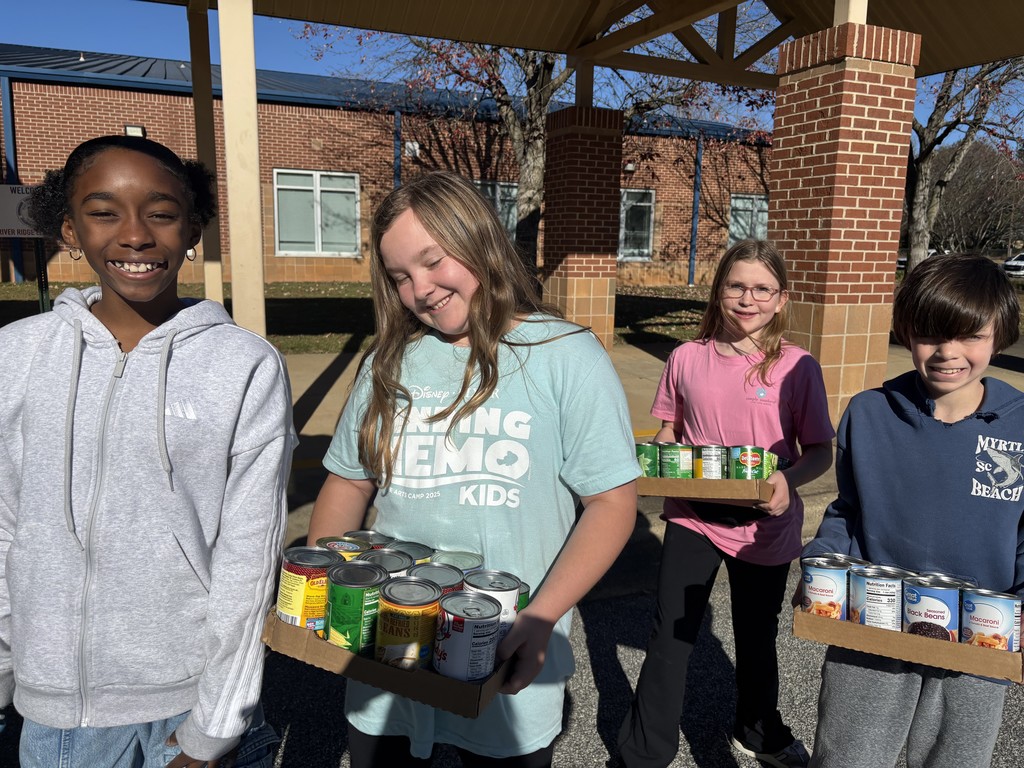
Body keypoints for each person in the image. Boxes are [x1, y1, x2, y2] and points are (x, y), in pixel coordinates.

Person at [306, 170, 639, 767]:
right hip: (389, 669)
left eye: (433, 261)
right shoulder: (390, 363)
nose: (421, 288)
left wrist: (539, 620)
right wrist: (328, 588)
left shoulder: (566, 356)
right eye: (401, 277)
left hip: (506, 660)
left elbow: (611, 503)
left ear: (479, 238)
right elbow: (348, 480)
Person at [0, 135, 295, 767]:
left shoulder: (244, 365)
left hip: (185, 707)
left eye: (160, 213)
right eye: (104, 212)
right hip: (54, 717)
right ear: (70, 229)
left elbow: (249, 558)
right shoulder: (17, 354)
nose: (134, 234)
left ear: (193, 229)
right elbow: (5, 525)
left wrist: (216, 724)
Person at [617, 239, 835, 768]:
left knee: (757, 639)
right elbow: (669, 431)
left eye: (762, 289)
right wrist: (654, 457)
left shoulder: (797, 366)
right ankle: (643, 753)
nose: (747, 299)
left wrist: (788, 479)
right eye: (736, 286)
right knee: (671, 636)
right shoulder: (686, 357)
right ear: (718, 292)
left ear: (782, 300)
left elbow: (821, 451)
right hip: (693, 516)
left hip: (766, 527)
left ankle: (759, 732)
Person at [803, 252, 1024, 768]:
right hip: (872, 624)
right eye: (930, 333)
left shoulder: (1020, 426)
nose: (948, 352)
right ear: (904, 331)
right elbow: (849, 508)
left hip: (980, 637)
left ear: (1000, 333)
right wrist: (825, 557)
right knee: (847, 757)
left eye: (970, 335)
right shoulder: (869, 412)